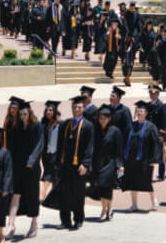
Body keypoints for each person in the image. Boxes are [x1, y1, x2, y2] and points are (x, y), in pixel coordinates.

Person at [56, 96, 94, 230]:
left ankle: (78, 219)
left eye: (79, 107)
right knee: (64, 193)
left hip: (79, 166)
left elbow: (90, 147)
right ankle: (65, 220)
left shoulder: (88, 126)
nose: (76, 109)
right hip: (65, 165)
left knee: (78, 193)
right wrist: (57, 162)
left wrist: (86, 164)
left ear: (84, 108)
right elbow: (60, 144)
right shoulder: (66, 124)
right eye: (74, 107)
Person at [7, 100, 43, 239]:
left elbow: (39, 145)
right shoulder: (16, 126)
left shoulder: (37, 126)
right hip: (18, 166)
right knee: (15, 194)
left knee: (32, 195)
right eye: (21, 114)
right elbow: (12, 146)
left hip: (32, 168)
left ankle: (34, 223)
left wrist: (31, 161)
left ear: (30, 113)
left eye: (25, 114)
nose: (23, 116)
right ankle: (11, 225)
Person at [123, 100, 160, 211]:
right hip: (131, 159)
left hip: (145, 160)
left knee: (146, 182)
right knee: (132, 181)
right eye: (137, 111)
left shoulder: (151, 127)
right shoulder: (132, 126)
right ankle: (134, 205)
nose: (139, 113)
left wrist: (154, 159)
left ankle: (154, 201)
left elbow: (155, 144)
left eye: (141, 111)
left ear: (146, 113)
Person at [88, 106, 123, 221]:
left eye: (104, 118)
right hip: (98, 163)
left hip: (110, 163)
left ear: (109, 118)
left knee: (107, 187)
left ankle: (106, 210)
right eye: (100, 118)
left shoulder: (115, 131)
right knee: (102, 188)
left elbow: (119, 150)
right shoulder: (96, 131)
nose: (102, 120)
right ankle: (107, 209)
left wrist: (120, 165)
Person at [146, 83, 166, 181]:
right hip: (149, 134)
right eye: (150, 93)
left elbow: (165, 122)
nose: (152, 94)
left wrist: (162, 135)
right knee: (148, 154)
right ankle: (148, 174)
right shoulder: (147, 105)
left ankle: (161, 174)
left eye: (154, 93)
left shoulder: (162, 106)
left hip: (158, 134)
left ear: (158, 94)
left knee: (160, 156)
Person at [40, 100, 61, 200]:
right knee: (48, 173)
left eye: (51, 110)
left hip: (57, 154)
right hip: (46, 155)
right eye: (47, 110)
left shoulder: (61, 125)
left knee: (55, 175)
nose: (48, 112)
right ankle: (44, 195)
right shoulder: (44, 125)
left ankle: (48, 196)